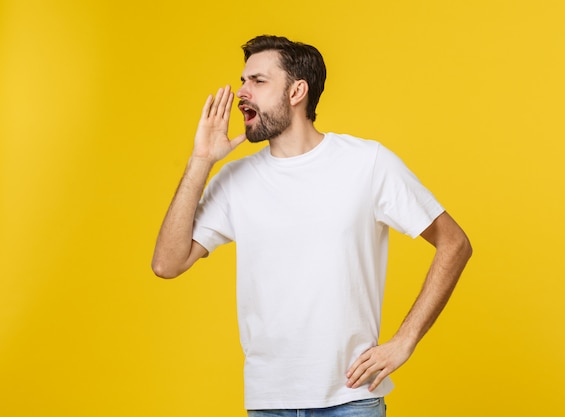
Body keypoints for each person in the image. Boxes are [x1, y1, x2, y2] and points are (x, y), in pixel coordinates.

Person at [152, 35, 472, 417]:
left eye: (257, 81)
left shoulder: (367, 163)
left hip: (351, 399)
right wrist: (201, 159)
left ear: (297, 91)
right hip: (269, 403)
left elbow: (454, 243)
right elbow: (167, 264)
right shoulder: (235, 180)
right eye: (242, 81)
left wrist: (405, 340)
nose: (242, 92)